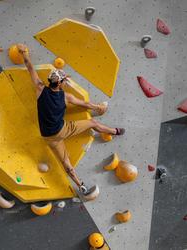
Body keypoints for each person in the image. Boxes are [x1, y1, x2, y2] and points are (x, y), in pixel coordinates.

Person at [17, 44, 125, 197]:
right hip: (64, 129)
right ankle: (115, 131)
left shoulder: (40, 89)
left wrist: (24, 53)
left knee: (66, 163)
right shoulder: (66, 97)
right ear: (60, 83)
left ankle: (81, 186)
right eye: (64, 80)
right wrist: (98, 107)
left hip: (49, 137)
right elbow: (86, 105)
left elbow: (30, 68)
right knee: (93, 124)